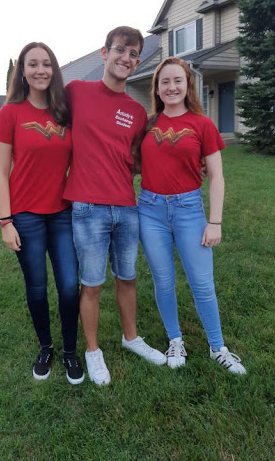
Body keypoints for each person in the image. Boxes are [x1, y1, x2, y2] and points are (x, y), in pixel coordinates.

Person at [64, 26, 167, 386]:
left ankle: (131, 338)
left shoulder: (136, 112)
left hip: (126, 206)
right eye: (120, 50)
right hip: (88, 208)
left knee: (128, 278)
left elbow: (137, 158)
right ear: (104, 53)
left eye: (133, 53)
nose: (126, 58)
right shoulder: (77, 91)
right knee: (91, 284)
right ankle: (93, 351)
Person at [138, 56, 246, 374]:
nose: (171, 87)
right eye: (165, 82)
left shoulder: (202, 124)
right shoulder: (147, 125)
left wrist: (215, 221)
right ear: (156, 88)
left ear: (188, 85)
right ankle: (175, 340)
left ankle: (217, 347)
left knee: (202, 283)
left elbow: (216, 176)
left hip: (189, 211)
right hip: (150, 211)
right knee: (163, 281)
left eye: (177, 81)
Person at [0, 42, 84, 385]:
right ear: (23, 72)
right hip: (25, 215)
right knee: (37, 287)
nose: (41, 70)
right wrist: (6, 222)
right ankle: (46, 347)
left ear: (54, 69)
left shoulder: (64, 112)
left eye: (46, 63)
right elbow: (0, 172)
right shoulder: (10, 114)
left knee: (70, 287)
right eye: (33, 64)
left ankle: (71, 352)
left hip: (62, 213)